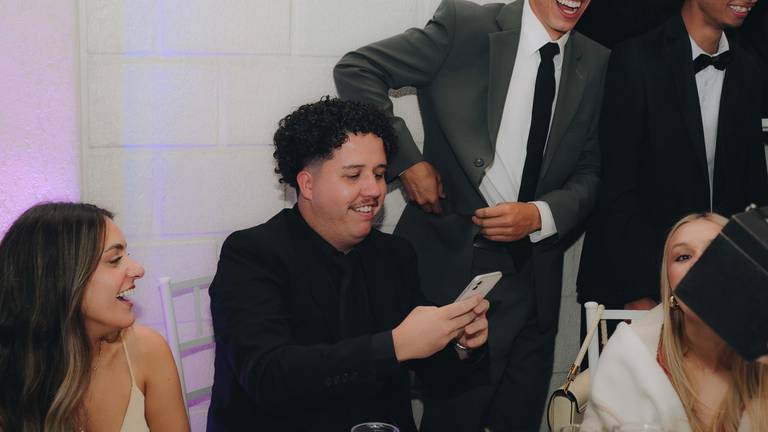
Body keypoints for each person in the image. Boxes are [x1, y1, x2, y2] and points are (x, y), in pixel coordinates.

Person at [334, 0, 609, 429]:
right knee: (452, 418)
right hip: (455, 265)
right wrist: (406, 161)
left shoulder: (595, 58)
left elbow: (590, 170)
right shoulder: (465, 26)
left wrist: (540, 215)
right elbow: (357, 69)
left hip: (537, 281)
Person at [206, 97, 490, 432]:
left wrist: (461, 344)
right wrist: (395, 345)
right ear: (307, 184)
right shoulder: (252, 254)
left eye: (380, 174)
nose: (374, 190)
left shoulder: (395, 254)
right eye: (353, 175)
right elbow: (268, 377)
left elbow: (437, 378)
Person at [578, 0, 768, 314]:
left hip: (720, 289)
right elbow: (615, 188)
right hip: (641, 287)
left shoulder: (748, 69)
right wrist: (637, 292)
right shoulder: (635, 59)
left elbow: (754, 190)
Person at [0, 202, 189, 431]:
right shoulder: (12, 371)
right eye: (114, 260)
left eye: (127, 255)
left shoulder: (148, 350)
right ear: (60, 278)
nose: (138, 270)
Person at [582, 212, 768, 431]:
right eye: (683, 257)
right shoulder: (629, 355)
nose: (700, 265)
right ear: (670, 290)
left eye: (715, 251)